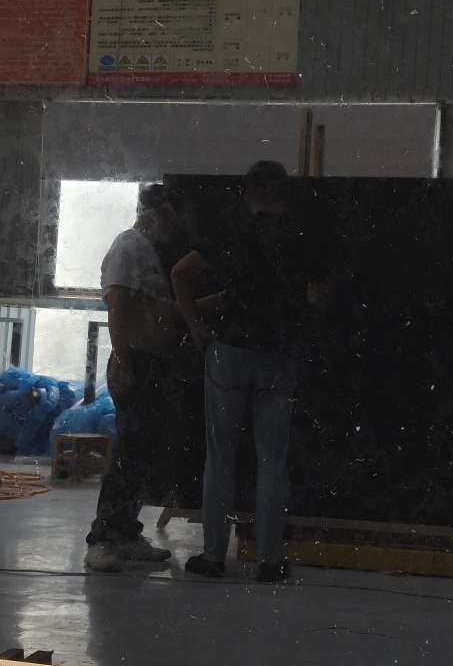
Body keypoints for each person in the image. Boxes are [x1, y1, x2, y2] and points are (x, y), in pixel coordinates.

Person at [171, 161, 328, 584]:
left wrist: (195, 325)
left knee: (220, 457)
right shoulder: (301, 237)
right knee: (272, 460)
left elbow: (180, 274)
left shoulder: (229, 232)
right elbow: (317, 296)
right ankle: (270, 560)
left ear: (246, 193)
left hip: (230, 353)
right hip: (278, 357)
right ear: (284, 195)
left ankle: (212, 556)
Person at [84, 183, 185, 573]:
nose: (173, 226)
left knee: (142, 456)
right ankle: (102, 540)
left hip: (152, 364)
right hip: (136, 363)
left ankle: (125, 533)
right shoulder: (128, 246)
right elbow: (118, 306)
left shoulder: (147, 251)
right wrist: (125, 361)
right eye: (170, 217)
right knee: (129, 455)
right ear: (156, 213)